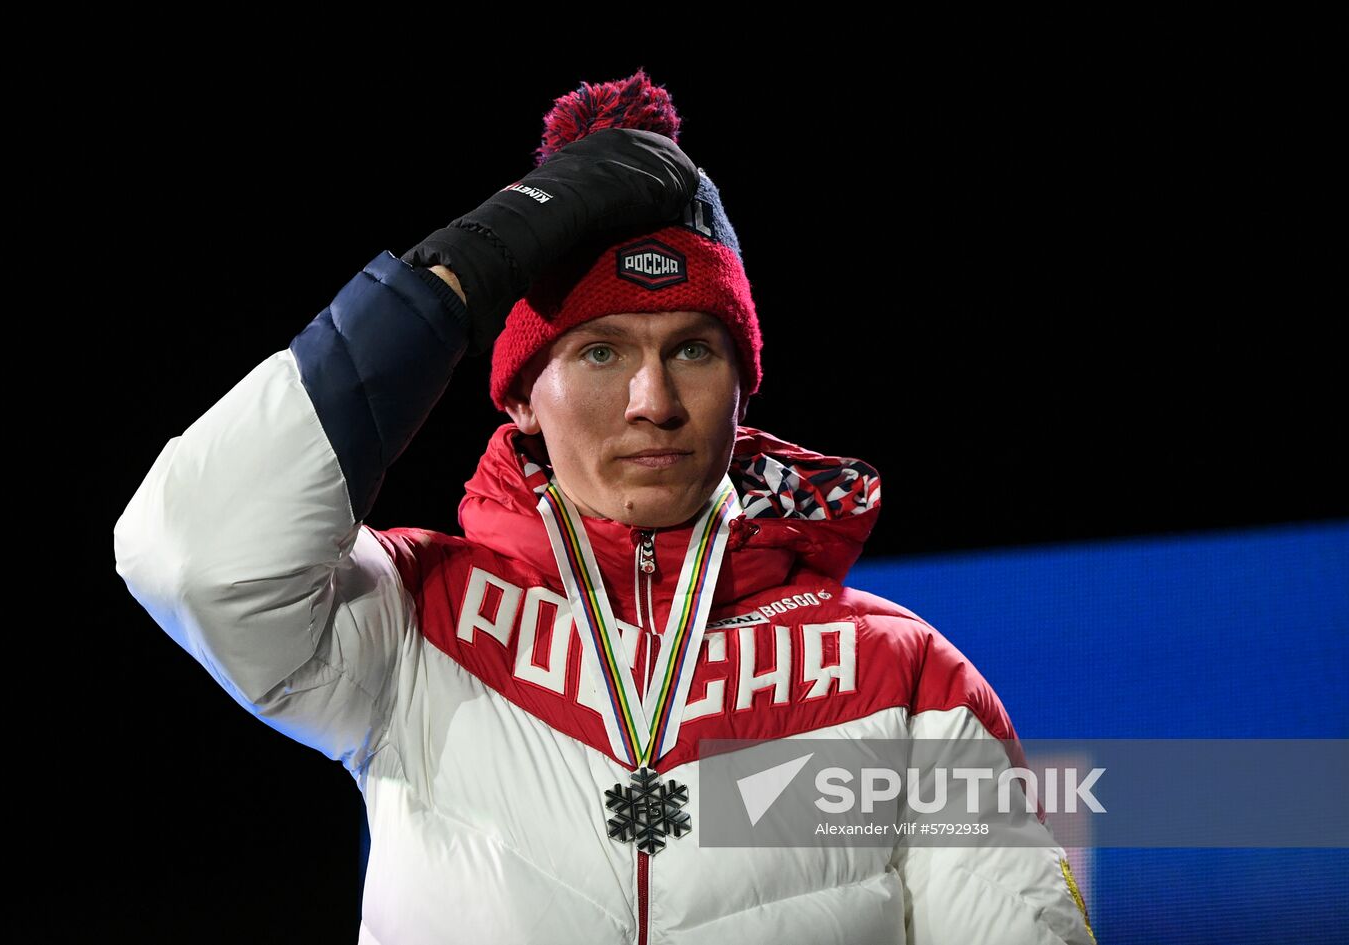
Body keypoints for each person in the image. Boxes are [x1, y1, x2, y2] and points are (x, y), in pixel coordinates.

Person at [114, 69, 1096, 945]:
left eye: (693, 350)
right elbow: (192, 556)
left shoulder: (901, 676)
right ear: (517, 399)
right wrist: (463, 271)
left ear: (743, 385)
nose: (651, 401)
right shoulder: (412, 618)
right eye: (598, 351)